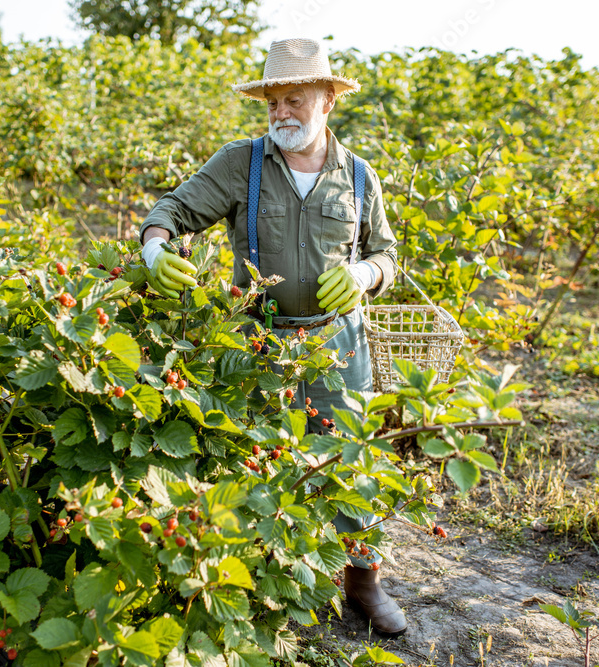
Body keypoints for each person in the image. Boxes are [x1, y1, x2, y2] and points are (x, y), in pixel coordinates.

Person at [138, 37, 404, 635]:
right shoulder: (242, 163)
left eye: (295, 99)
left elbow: (387, 254)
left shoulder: (360, 176)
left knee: (351, 463)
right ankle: (260, 577)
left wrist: (365, 273)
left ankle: (363, 584)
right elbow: (172, 210)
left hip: (340, 343)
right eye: (272, 102)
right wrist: (156, 250)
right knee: (255, 458)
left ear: (328, 100)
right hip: (258, 342)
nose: (282, 112)